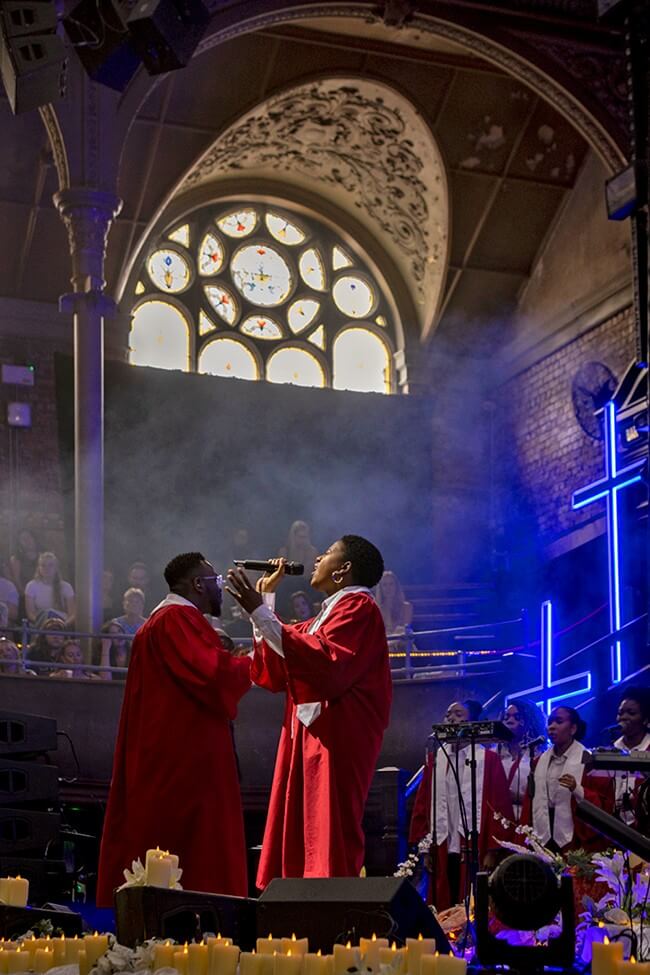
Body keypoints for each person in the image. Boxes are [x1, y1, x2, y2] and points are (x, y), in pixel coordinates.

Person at [227, 534, 392, 888]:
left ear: (343, 569)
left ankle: (329, 908)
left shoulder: (359, 608)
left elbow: (324, 662)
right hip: (308, 732)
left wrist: (260, 611)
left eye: (328, 553)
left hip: (336, 734)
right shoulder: (325, 616)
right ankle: (297, 903)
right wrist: (264, 602)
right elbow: (280, 661)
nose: (317, 558)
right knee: (300, 824)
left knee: (329, 826)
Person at [96, 552, 251, 907]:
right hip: (183, 762)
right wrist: (253, 663)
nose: (221, 588)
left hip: (166, 753)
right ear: (198, 584)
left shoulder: (164, 621)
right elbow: (213, 675)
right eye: (215, 581)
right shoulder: (175, 619)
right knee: (193, 853)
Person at [408, 699, 514, 910]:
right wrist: (425, 849)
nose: (451, 719)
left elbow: (499, 806)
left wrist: (492, 850)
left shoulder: (488, 759)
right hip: (443, 842)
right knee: (443, 899)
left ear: (472, 721)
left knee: (473, 899)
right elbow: (423, 804)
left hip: (475, 842)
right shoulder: (436, 759)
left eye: (458, 714)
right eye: (448, 714)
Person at [521, 706, 614, 852]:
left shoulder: (589, 761)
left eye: (559, 721)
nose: (552, 727)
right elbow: (530, 799)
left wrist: (577, 789)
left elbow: (604, 804)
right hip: (544, 828)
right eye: (550, 723)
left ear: (573, 729)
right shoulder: (539, 761)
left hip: (575, 832)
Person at [498, 699, 547, 821]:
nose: (510, 720)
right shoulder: (494, 753)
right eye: (506, 717)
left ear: (530, 721)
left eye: (517, 717)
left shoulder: (540, 755)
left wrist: (518, 797)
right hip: (498, 818)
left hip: (528, 819)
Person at [612, 686, 650, 826]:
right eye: (620, 713)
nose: (623, 717)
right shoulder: (611, 750)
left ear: (645, 719)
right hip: (613, 827)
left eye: (631, 713)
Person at [24, 552, 75, 624]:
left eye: (50, 565)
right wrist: (44, 624)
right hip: (40, 623)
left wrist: (63, 625)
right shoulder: (31, 586)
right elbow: (30, 614)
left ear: (56, 568)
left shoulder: (66, 587)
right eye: (43, 565)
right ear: (39, 568)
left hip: (62, 623)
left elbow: (72, 614)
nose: (46, 568)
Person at [375, 570, 413, 636]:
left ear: (396, 587)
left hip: (401, 640)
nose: (388, 588)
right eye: (384, 585)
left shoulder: (406, 607)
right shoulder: (377, 609)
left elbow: (406, 629)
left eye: (391, 584)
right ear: (381, 588)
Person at [8, 529, 39, 594]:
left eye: (28, 537)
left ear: (34, 538)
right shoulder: (16, 558)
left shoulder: (43, 554)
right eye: (23, 539)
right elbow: (16, 579)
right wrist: (24, 594)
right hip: (25, 592)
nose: (27, 540)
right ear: (19, 542)